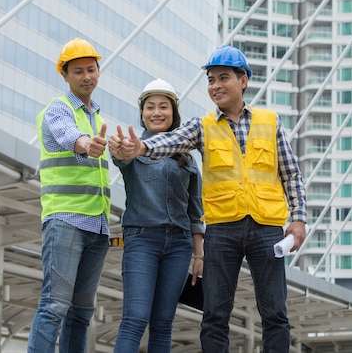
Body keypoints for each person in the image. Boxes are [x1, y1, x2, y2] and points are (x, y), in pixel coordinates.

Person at [111, 45, 307, 352]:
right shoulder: (202, 126)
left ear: (243, 80)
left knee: (275, 314)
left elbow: (291, 174)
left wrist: (298, 219)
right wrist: (142, 149)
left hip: (266, 227)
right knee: (214, 316)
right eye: (211, 79)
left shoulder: (270, 122)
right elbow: (172, 140)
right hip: (222, 230)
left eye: (223, 78)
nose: (215, 85)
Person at [28, 38, 111, 353]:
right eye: (78, 71)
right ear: (65, 75)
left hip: (97, 225)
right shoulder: (58, 108)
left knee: (82, 312)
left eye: (91, 69)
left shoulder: (99, 119)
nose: (86, 76)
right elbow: (68, 136)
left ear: (98, 71)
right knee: (55, 305)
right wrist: (86, 144)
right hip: (65, 220)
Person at [110, 79, 205, 352]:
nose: (156, 112)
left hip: (179, 245)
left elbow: (195, 211)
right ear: (142, 113)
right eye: (150, 107)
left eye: (164, 106)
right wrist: (118, 149)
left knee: (163, 323)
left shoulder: (187, 157)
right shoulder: (133, 147)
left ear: (174, 113)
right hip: (142, 241)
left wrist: (199, 255)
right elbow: (120, 157)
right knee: (135, 319)